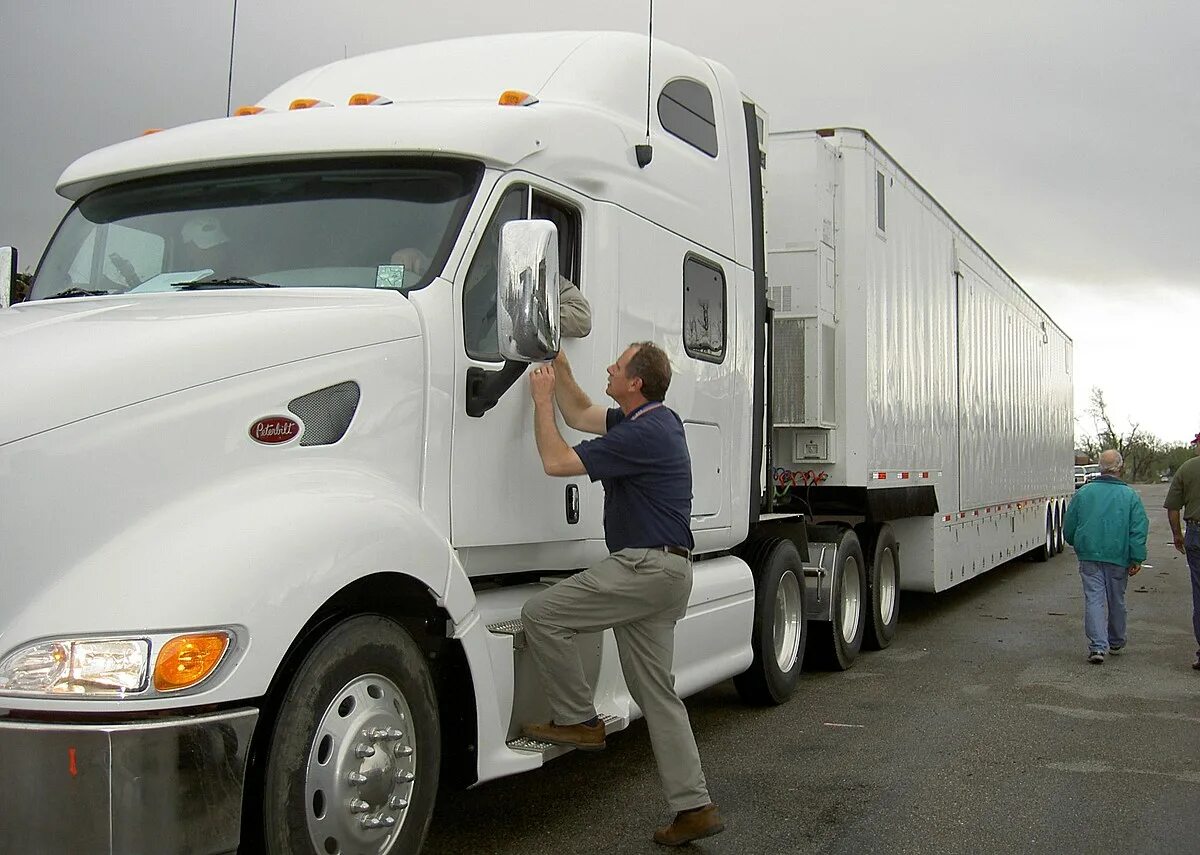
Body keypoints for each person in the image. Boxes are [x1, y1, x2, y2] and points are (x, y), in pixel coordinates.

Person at [520, 342, 724, 847]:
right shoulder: (658, 421)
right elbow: (583, 411)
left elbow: (556, 460)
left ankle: (578, 720)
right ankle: (694, 807)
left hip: (643, 567)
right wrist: (560, 367)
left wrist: (540, 399)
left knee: (542, 614)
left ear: (635, 383)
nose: (609, 367)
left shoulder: (643, 433)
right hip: (667, 572)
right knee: (657, 696)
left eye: (618, 365)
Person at [1063, 449, 1149, 664]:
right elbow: (1138, 529)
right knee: (1116, 600)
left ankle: (1097, 647)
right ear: (1120, 468)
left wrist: (1076, 541)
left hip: (1089, 554)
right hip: (1118, 556)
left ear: (1100, 468)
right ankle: (1117, 640)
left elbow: (1069, 525)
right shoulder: (1130, 496)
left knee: (1094, 599)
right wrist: (1137, 557)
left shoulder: (1083, 493)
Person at [1164, 430, 1200, 670]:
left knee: (1199, 593)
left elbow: (1174, 508)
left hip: (1197, 533)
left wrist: (1177, 535)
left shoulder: (1187, 469)